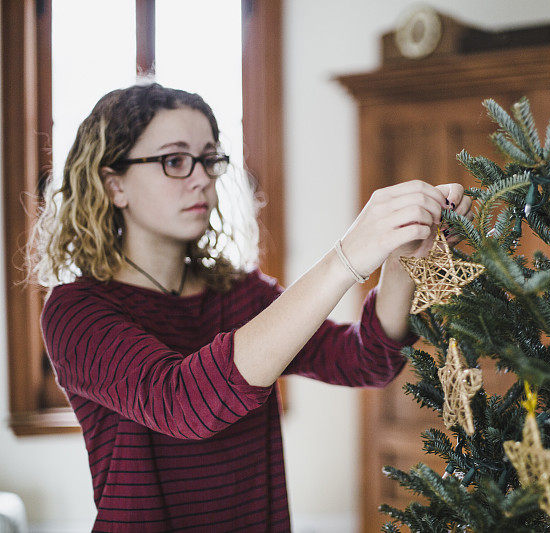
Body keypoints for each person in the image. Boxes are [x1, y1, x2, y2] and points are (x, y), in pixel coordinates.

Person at [25, 82, 474, 532]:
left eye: (210, 158)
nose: (202, 177)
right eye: (175, 160)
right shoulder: (75, 310)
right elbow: (182, 403)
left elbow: (367, 361)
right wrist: (346, 257)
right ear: (114, 184)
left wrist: (402, 259)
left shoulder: (241, 293)